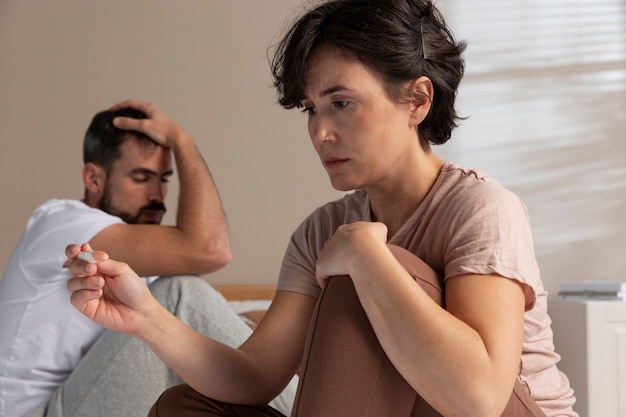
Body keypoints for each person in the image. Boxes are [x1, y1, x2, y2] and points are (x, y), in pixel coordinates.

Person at [65, 1, 579, 416]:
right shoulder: (323, 230)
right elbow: (255, 377)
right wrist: (146, 317)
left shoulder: (480, 208)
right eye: (311, 108)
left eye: (341, 103)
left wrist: (368, 260)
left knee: (371, 268)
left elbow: (480, 401)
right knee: (187, 407)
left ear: (417, 100)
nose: (319, 131)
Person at [0, 100, 296, 417]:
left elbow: (211, 320)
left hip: (75, 401)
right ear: (94, 179)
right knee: (181, 291)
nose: (157, 194)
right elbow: (210, 250)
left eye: (164, 178)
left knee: (234, 333)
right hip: (40, 412)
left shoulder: (136, 257)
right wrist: (183, 141)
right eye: (142, 178)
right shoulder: (64, 221)